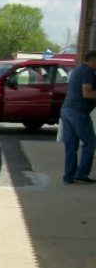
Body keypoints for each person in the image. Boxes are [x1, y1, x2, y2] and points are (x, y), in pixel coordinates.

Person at [60, 50, 96, 184]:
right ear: (93, 60)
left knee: (71, 146)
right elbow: (87, 93)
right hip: (78, 112)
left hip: (67, 109)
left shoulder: (78, 70)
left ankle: (68, 177)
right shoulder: (87, 72)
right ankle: (81, 174)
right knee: (90, 142)